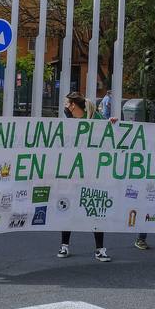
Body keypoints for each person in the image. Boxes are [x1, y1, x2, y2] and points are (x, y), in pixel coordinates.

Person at [58, 91, 110, 262]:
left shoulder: (96, 119)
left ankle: (100, 249)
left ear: (73, 105)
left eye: (67, 103)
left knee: (95, 209)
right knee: (69, 209)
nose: (65, 107)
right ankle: (64, 246)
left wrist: (112, 124)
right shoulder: (70, 123)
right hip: (74, 174)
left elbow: (109, 133)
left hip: (93, 174)